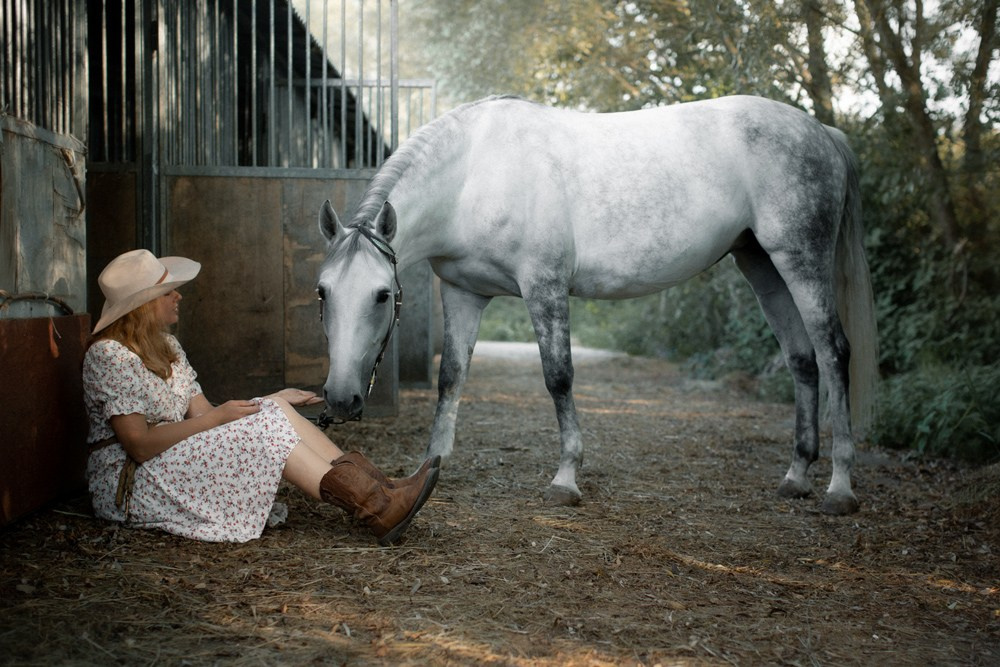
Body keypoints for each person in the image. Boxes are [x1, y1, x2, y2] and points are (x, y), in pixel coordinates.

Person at [82, 248, 439, 545]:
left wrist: (271, 400)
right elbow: (139, 444)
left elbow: (203, 413)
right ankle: (376, 507)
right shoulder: (110, 355)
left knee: (275, 408)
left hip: (172, 459)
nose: (179, 295)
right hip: (133, 481)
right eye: (167, 292)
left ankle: (382, 489)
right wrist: (221, 419)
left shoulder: (168, 347)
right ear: (143, 305)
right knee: (267, 425)